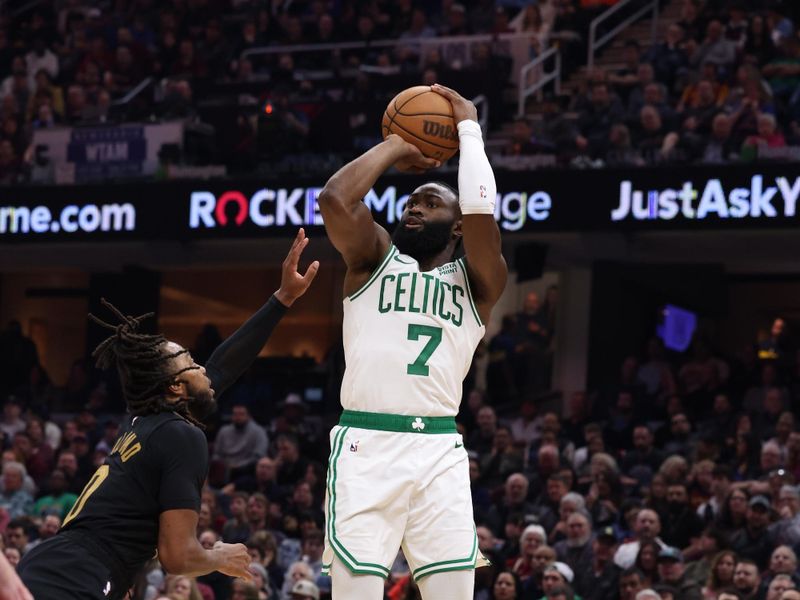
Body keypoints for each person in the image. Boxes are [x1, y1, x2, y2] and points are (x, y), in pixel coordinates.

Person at [17, 230, 319, 600]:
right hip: (78, 576)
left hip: (49, 563)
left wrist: (283, 298)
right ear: (175, 387)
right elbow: (177, 556)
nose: (203, 369)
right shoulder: (181, 435)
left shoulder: (143, 423)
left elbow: (222, 368)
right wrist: (216, 556)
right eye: (191, 362)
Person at [317, 83, 507, 600]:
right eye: (411, 201)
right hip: (366, 440)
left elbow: (482, 212)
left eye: (429, 202)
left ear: (458, 227)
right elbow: (335, 197)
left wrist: (468, 130)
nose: (414, 209)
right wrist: (398, 144)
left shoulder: (479, 283)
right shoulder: (373, 258)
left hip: (439, 449)